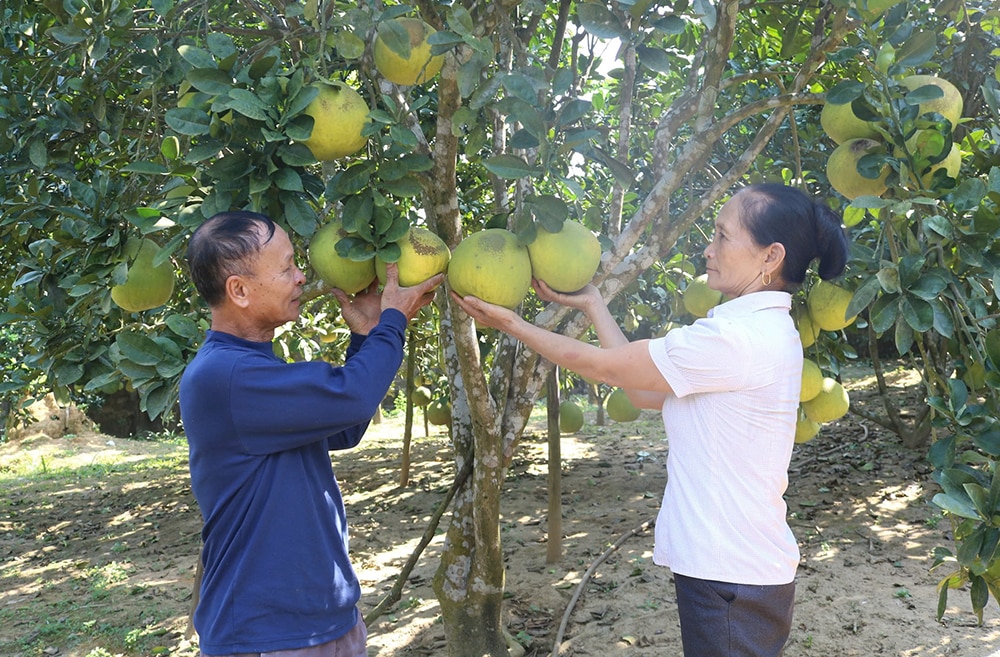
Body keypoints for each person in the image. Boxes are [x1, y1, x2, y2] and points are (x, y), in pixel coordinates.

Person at [451, 183, 850, 657]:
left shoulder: (738, 339)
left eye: (723, 236)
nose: (709, 248)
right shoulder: (754, 331)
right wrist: (595, 304)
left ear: (771, 257)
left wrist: (513, 325)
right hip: (735, 569)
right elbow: (641, 390)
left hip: (731, 577)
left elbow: (604, 368)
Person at [179, 210, 442, 657]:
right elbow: (354, 398)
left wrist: (365, 337)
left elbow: (345, 428)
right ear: (238, 291)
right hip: (269, 634)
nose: (302, 277)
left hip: (324, 619)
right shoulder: (224, 376)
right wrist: (392, 321)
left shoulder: (254, 367)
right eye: (286, 268)